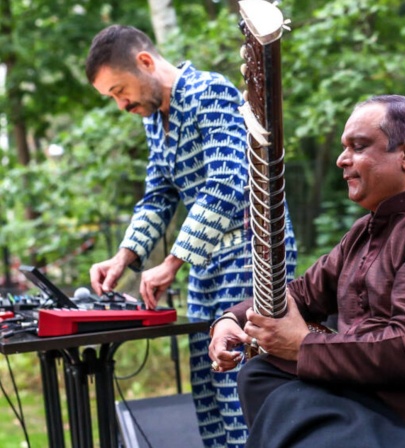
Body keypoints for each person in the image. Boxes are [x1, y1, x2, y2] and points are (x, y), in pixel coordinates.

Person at [85, 25, 298, 448]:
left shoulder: (210, 92)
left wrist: (171, 262)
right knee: (208, 391)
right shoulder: (154, 120)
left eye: (119, 89)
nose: (120, 102)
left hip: (251, 253)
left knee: (240, 387)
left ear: (145, 62)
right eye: (111, 96)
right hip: (203, 264)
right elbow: (159, 194)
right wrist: (124, 257)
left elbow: (228, 181)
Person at [209, 94, 405, 448]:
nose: (342, 159)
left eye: (359, 146)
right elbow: (302, 293)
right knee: (260, 374)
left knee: (280, 395)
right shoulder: (363, 232)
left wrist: (303, 345)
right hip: (358, 406)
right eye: (343, 147)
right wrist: (232, 319)